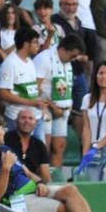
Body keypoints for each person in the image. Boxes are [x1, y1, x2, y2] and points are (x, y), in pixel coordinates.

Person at [35, 34, 85, 169]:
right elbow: (34, 86)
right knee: (45, 146)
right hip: (44, 108)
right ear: (63, 50)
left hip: (62, 109)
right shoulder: (44, 59)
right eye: (72, 56)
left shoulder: (67, 63)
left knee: (60, 145)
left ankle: (56, 176)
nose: (73, 59)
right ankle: (42, 177)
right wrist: (52, 105)